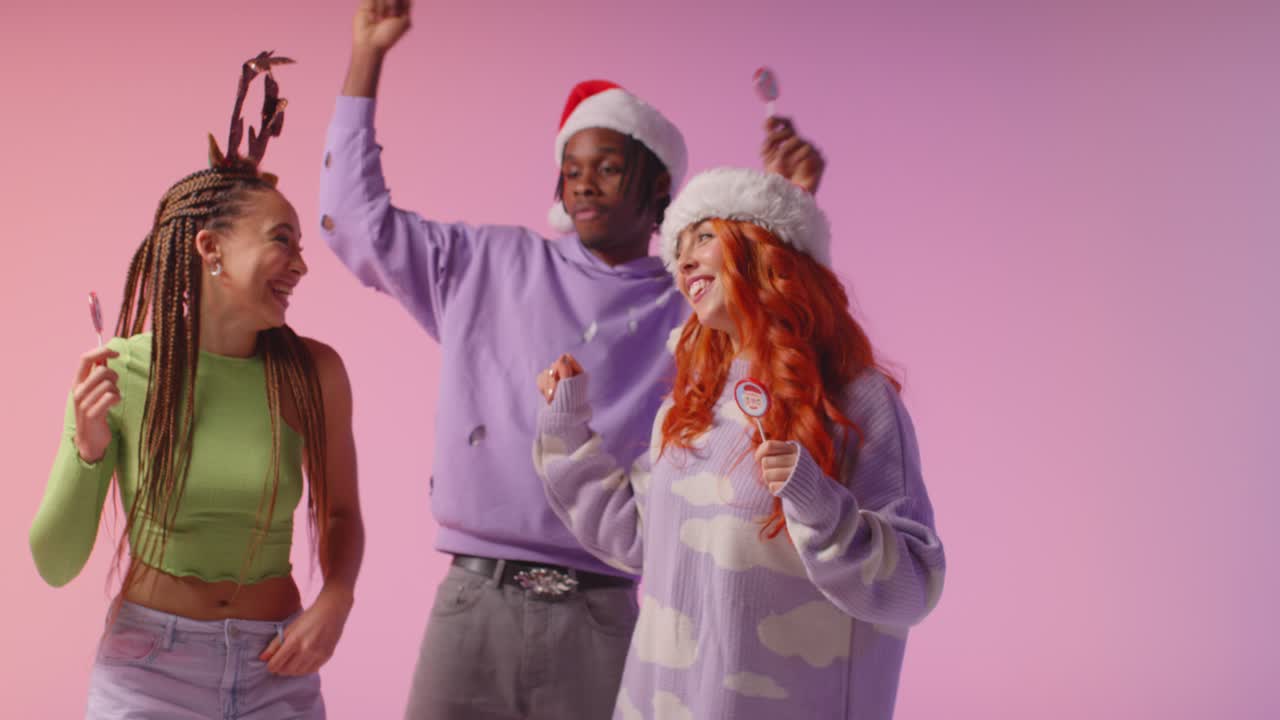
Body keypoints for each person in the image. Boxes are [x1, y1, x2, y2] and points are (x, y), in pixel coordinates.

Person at [319, 2, 825, 718]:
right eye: (572, 168)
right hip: (473, 600)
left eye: (610, 167)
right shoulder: (483, 264)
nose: (584, 183)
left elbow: (773, 347)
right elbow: (351, 221)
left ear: (659, 191)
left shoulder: (689, 308)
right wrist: (366, 56)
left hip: (604, 613)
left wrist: (787, 207)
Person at [533, 167, 945, 719]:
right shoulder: (687, 409)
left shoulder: (854, 399)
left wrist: (820, 507)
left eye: (704, 237)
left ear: (765, 248)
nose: (684, 260)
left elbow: (912, 583)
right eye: (678, 248)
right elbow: (636, 540)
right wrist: (566, 429)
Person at [29, 53, 364, 720]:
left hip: (278, 667)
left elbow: (340, 515)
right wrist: (87, 446)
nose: (300, 265)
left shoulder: (312, 372)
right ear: (211, 249)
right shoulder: (121, 369)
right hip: (149, 670)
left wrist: (337, 598)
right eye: (282, 241)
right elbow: (56, 561)